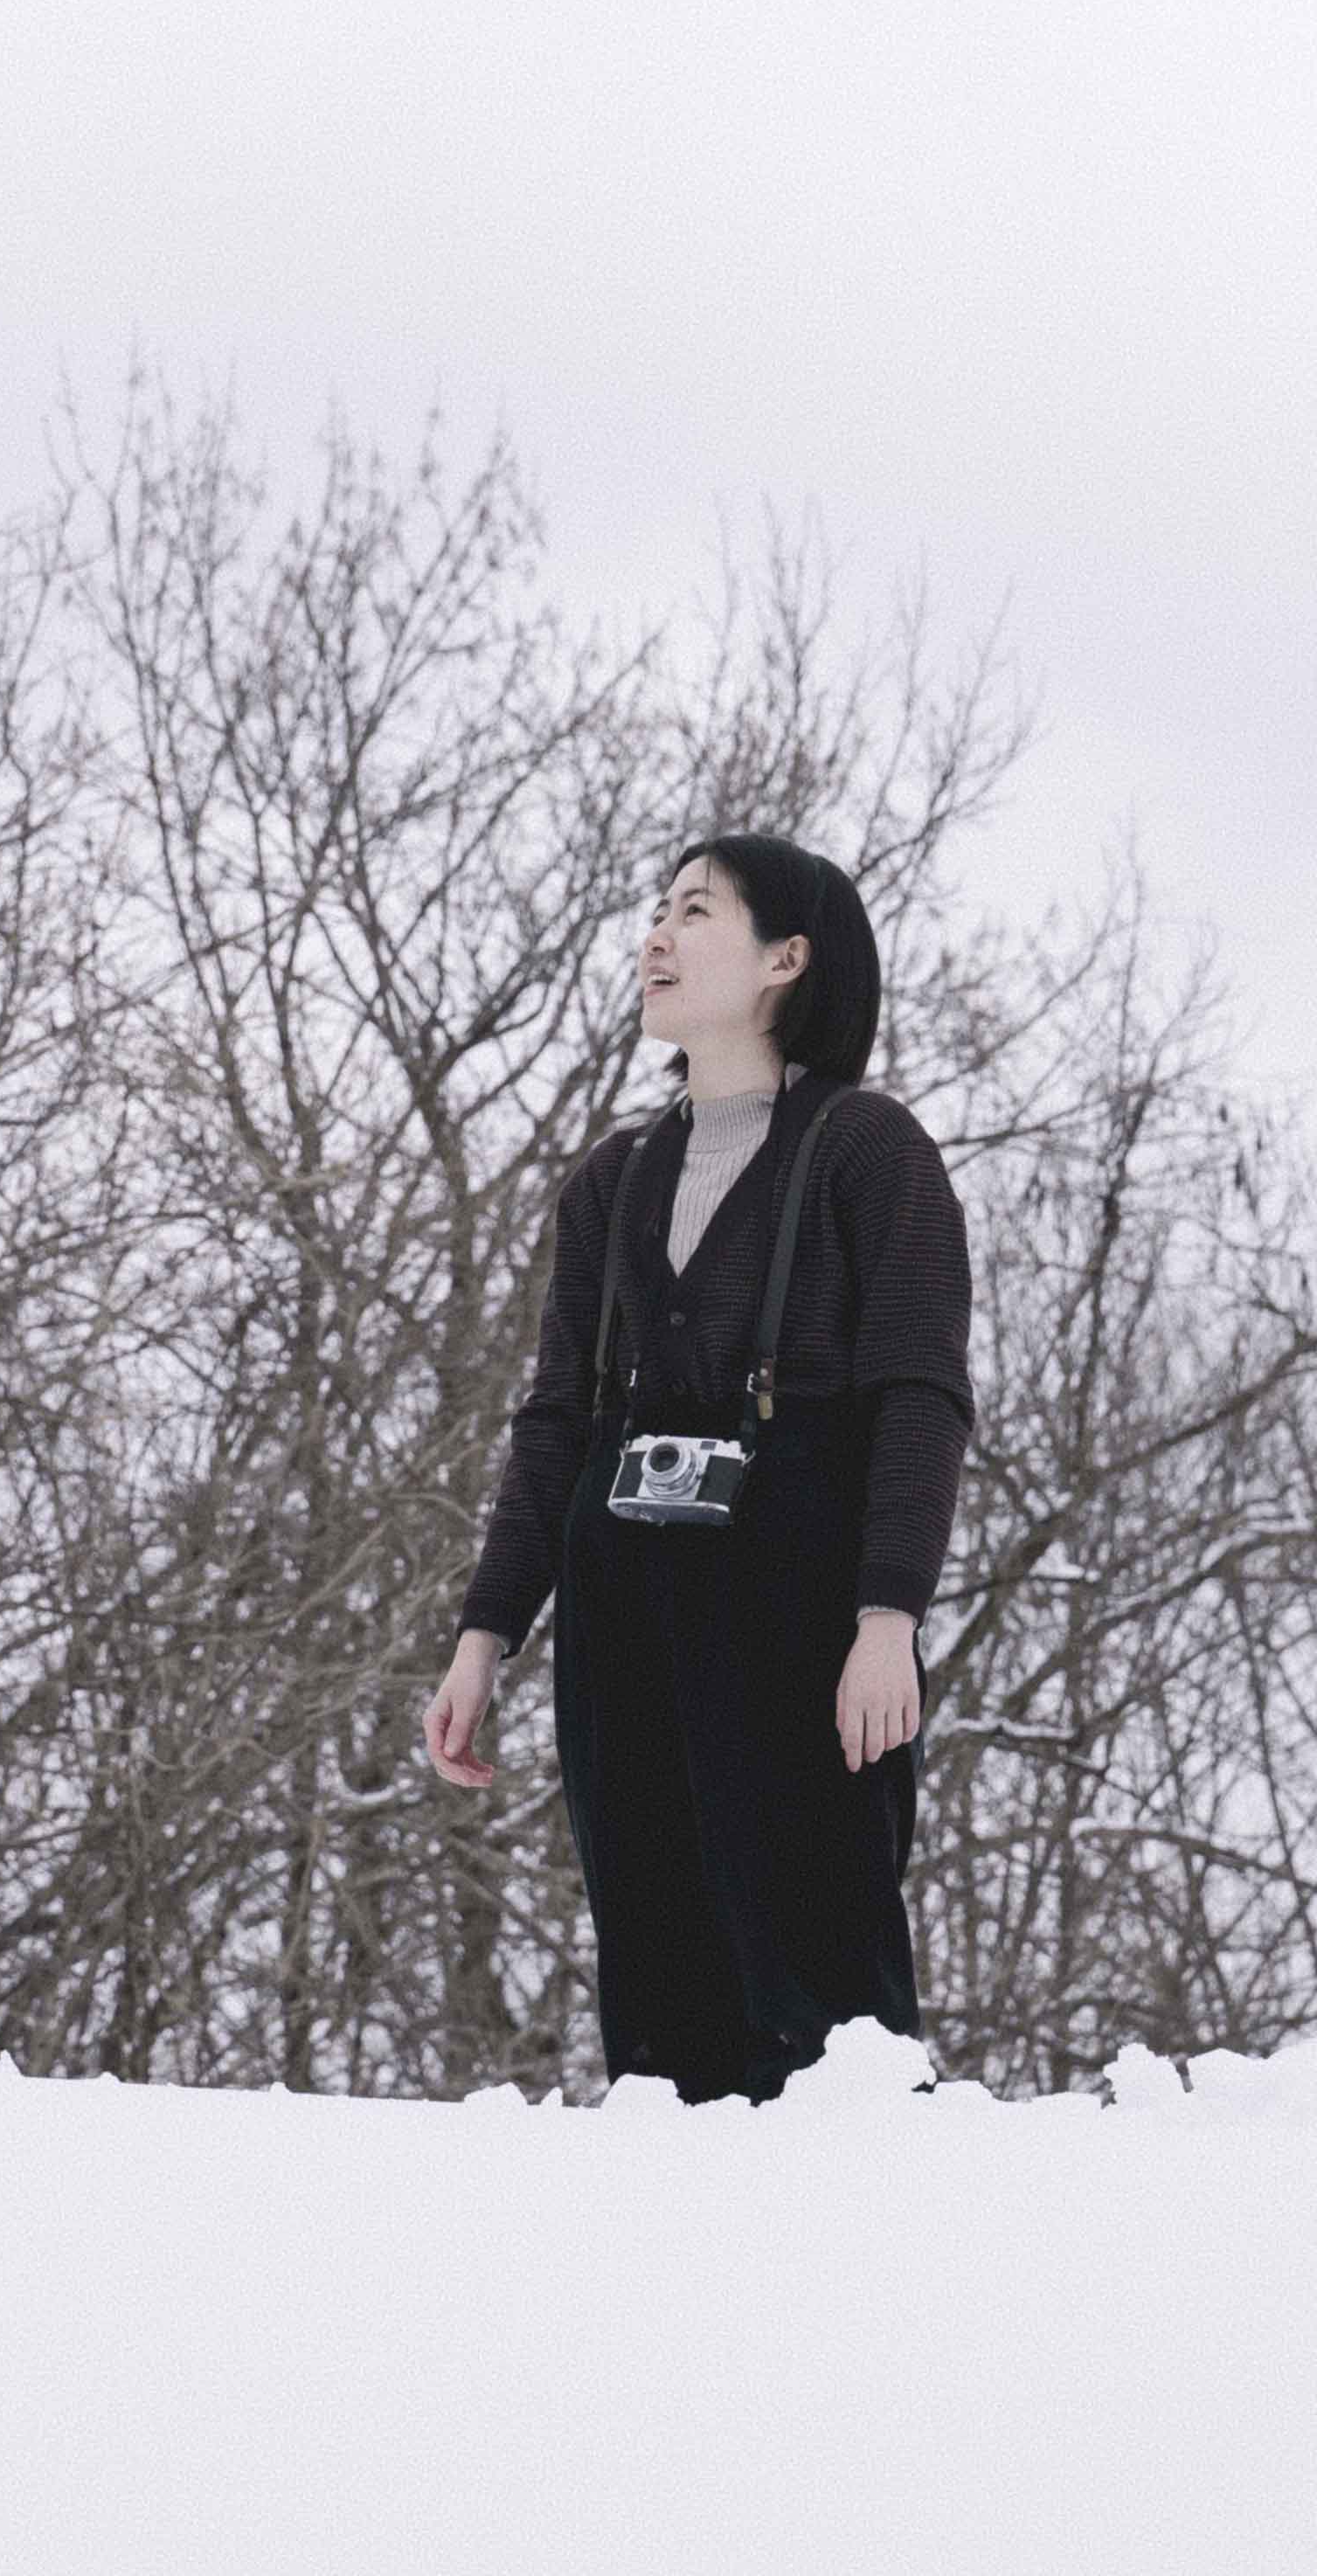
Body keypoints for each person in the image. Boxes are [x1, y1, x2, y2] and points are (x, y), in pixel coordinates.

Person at [419, 834, 976, 2102]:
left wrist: (886, 1621)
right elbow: (557, 1419)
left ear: (788, 959)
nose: (655, 937)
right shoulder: (610, 1181)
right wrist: (486, 1634)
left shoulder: (868, 1152)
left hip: (801, 1609)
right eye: (655, 913)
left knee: (828, 2017)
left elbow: (921, 1398)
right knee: (660, 2019)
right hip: (623, 1611)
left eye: (696, 912)